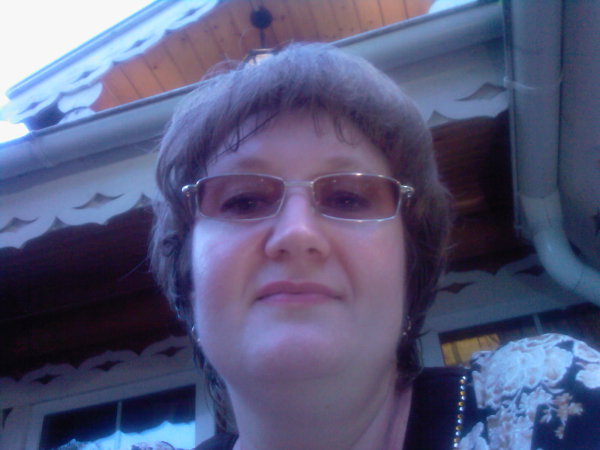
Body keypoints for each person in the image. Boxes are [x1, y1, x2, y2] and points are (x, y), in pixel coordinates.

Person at [148, 43, 600, 449]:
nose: (297, 233)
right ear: (188, 285)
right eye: (244, 201)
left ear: (410, 272)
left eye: (347, 198)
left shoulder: (543, 404)